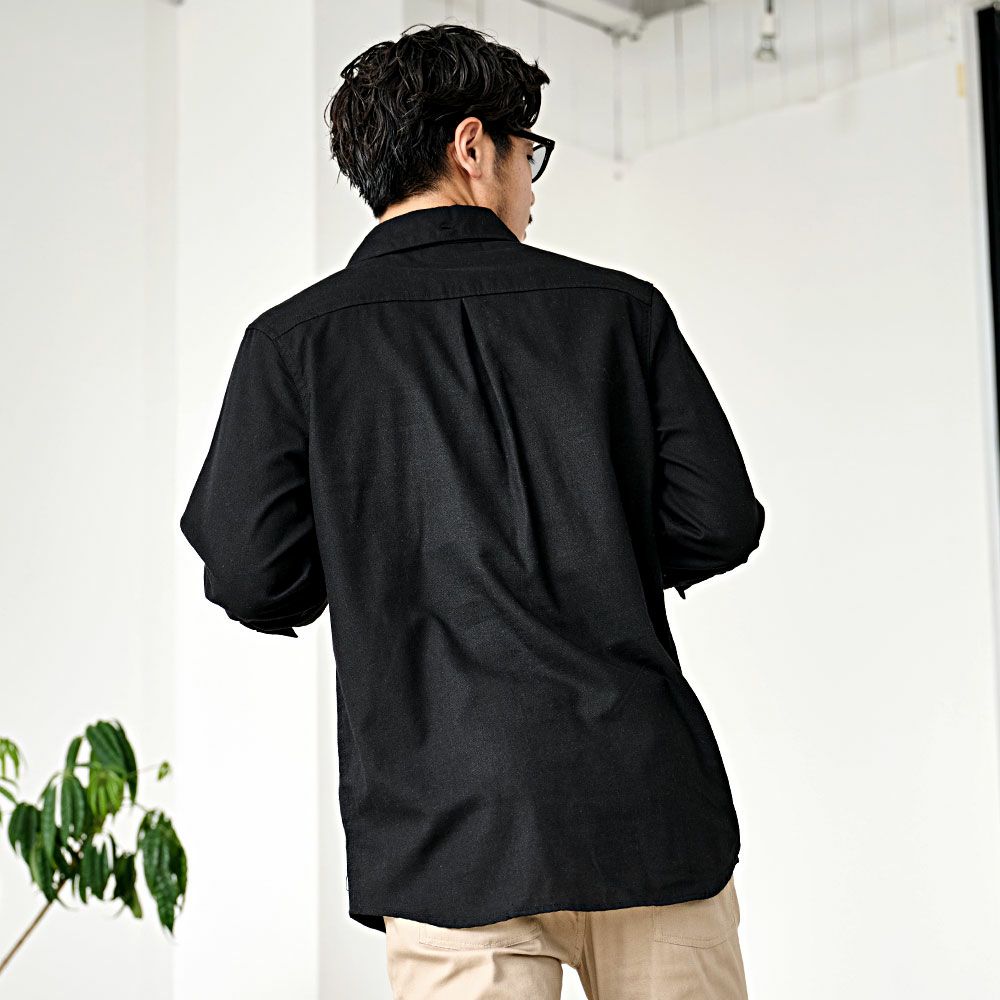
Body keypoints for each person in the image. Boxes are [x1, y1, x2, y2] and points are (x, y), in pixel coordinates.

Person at [179, 21, 765, 1000]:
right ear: (471, 147)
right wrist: (599, 546)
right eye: (528, 152)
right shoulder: (620, 311)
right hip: (646, 807)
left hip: (446, 826)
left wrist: (366, 553)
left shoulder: (294, 345)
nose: (532, 184)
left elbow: (252, 575)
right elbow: (720, 520)